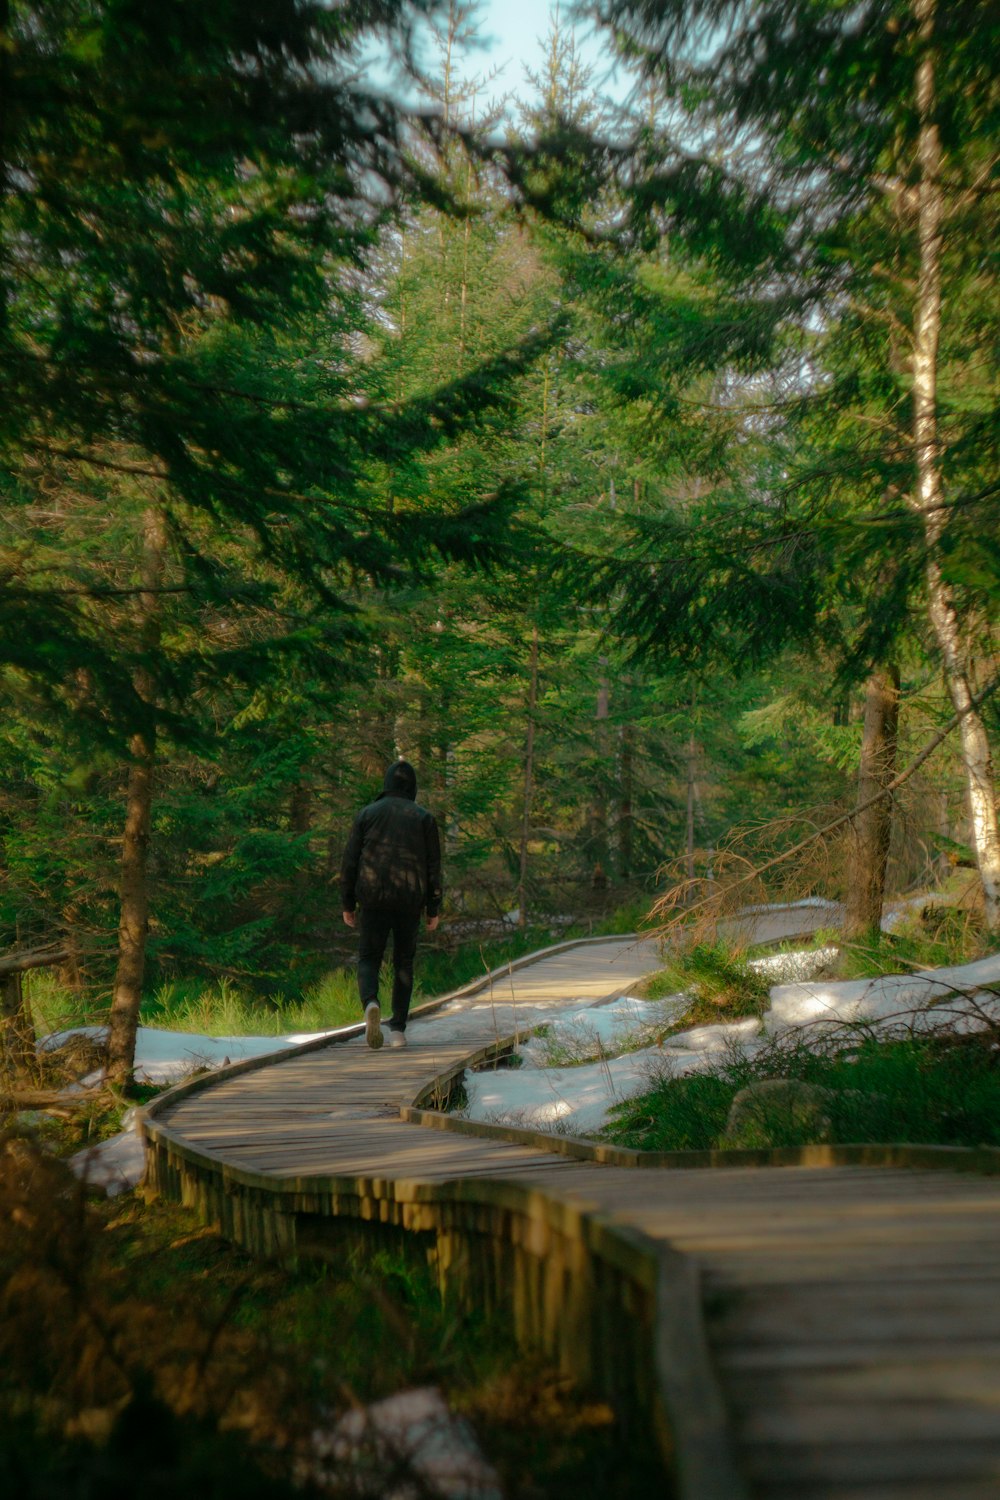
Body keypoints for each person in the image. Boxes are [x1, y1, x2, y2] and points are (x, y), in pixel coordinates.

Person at [340, 759, 442, 1049]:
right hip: (410, 900)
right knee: (404, 961)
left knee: (369, 957)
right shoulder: (424, 818)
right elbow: (434, 867)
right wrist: (433, 908)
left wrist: (347, 902)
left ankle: (371, 1002)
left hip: (373, 897)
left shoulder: (367, 814)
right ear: (413, 787)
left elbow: (350, 862)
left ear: (386, 785)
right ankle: (397, 1029)